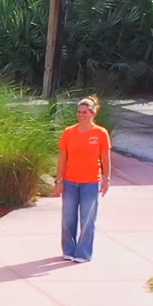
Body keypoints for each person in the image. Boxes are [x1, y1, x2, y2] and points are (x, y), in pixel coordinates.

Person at [56, 96, 112, 263]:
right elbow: (62, 158)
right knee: (68, 218)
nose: (81, 115)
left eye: (85, 112)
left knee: (87, 218)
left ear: (93, 113)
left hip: (90, 182)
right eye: (79, 112)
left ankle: (83, 253)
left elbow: (105, 158)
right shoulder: (69, 132)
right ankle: (68, 249)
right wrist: (59, 181)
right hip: (70, 181)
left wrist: (106, 179)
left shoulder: (100, 133)